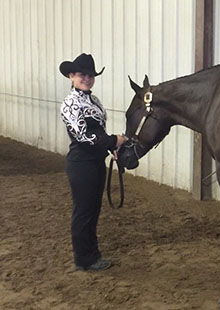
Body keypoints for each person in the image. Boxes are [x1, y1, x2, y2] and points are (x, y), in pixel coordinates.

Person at [59, 53, 126, 271]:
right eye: (82, 75)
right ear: (71, 76)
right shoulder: (70, 103)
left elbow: (98, 131)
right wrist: (114, 140)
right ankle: (83, 258)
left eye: (90, 75)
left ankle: (91, 254)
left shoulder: (93, 100)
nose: (87, 78)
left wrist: (111, 147)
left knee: (92, 209)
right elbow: (83, 135)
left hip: (95, 161)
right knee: (84, 211)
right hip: (82, 162)